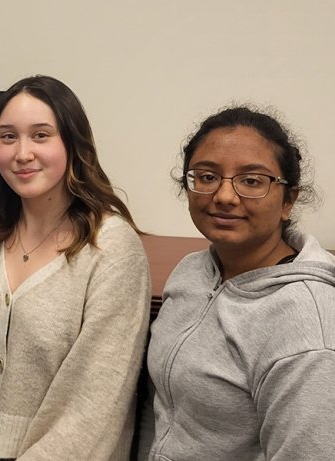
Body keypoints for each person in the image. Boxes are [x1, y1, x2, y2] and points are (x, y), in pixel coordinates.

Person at [0, 75, 152, 460]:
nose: (22, 153)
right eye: (8, 136)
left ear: (72, 143)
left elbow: (96, 404)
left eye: (40, 135)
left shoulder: (112, 249)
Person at [139, 106, 335, 459]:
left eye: (252, 181)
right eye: (207, 176)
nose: (225, 196)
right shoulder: (192, 271)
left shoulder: (306, 327)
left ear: (288, 200)